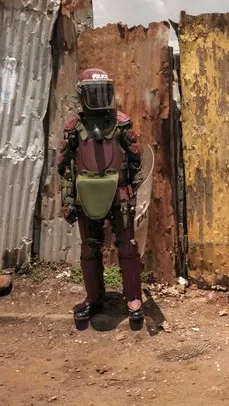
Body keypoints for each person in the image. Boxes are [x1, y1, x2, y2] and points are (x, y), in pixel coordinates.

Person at [57, 68, 144, 328]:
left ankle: (134, 299)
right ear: (82, 95)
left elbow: (137, 159)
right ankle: (94, 298)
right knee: (89, 248)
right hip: (86, 195)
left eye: (102, 91)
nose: (98, 97)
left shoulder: (121, 123)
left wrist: (134, 191)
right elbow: (65, 167)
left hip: (119, 193)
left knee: (127, 246)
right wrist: (68, 200)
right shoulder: (74, 128)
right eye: (93, 92)